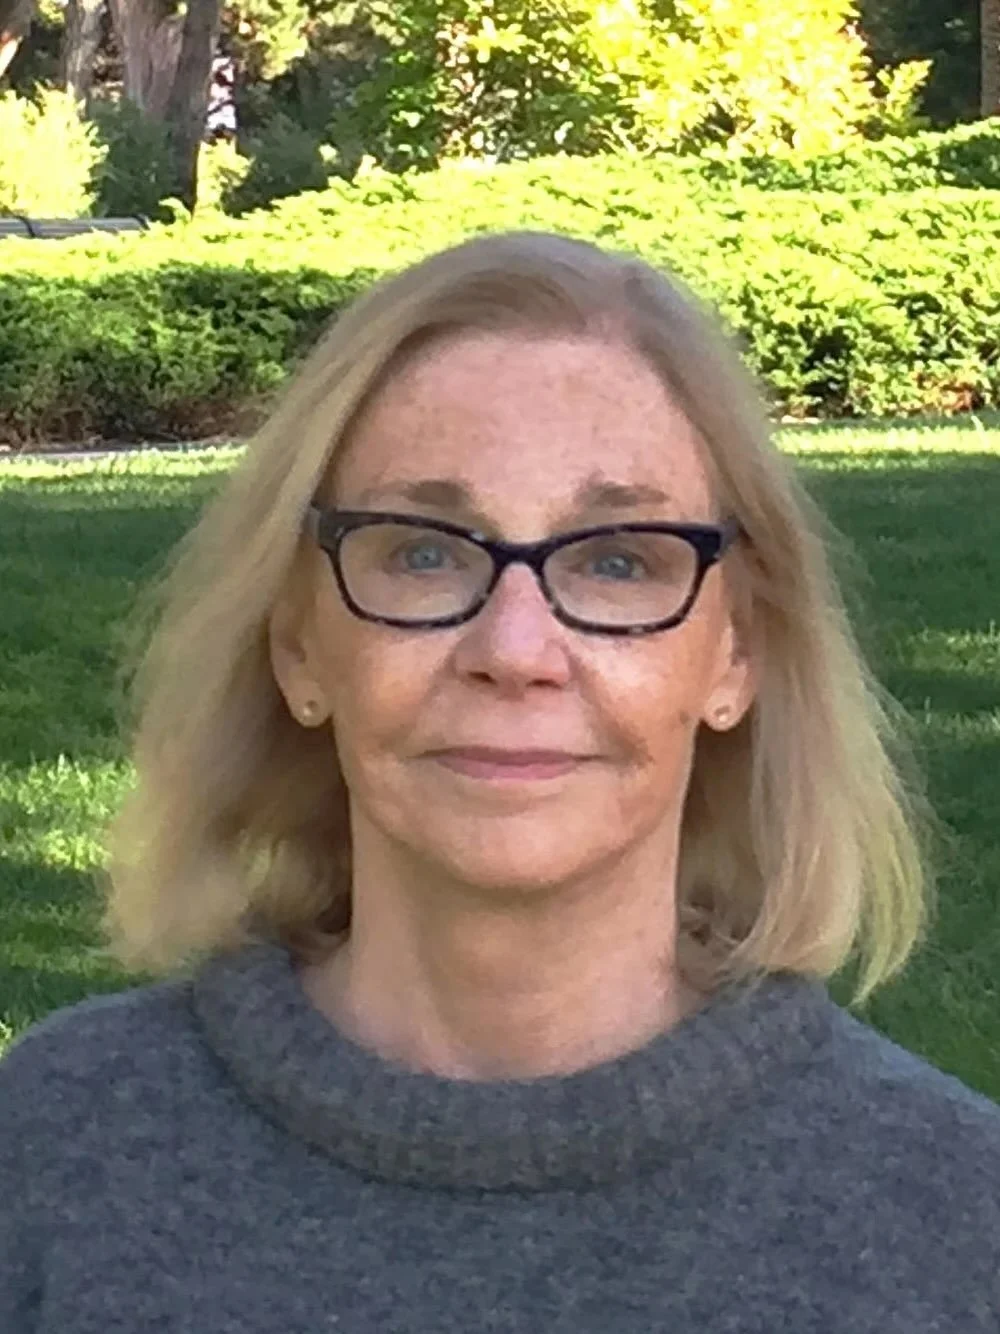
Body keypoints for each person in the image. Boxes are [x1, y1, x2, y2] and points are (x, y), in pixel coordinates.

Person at [2, 230, 999, 1332]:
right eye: (425, 551)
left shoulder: (952, 1223)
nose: (514, 647)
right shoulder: (51, 1156)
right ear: (296, 643)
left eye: (617, 559)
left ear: (736, 652)